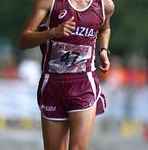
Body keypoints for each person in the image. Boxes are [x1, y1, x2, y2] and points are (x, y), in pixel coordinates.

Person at [19, 0, 115, 149]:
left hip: (83, 82)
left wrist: (103, 51)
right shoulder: (48, 3)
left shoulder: (105, 5)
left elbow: (104, 29)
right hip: (52, 83)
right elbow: (24, 41)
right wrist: (53, 32)